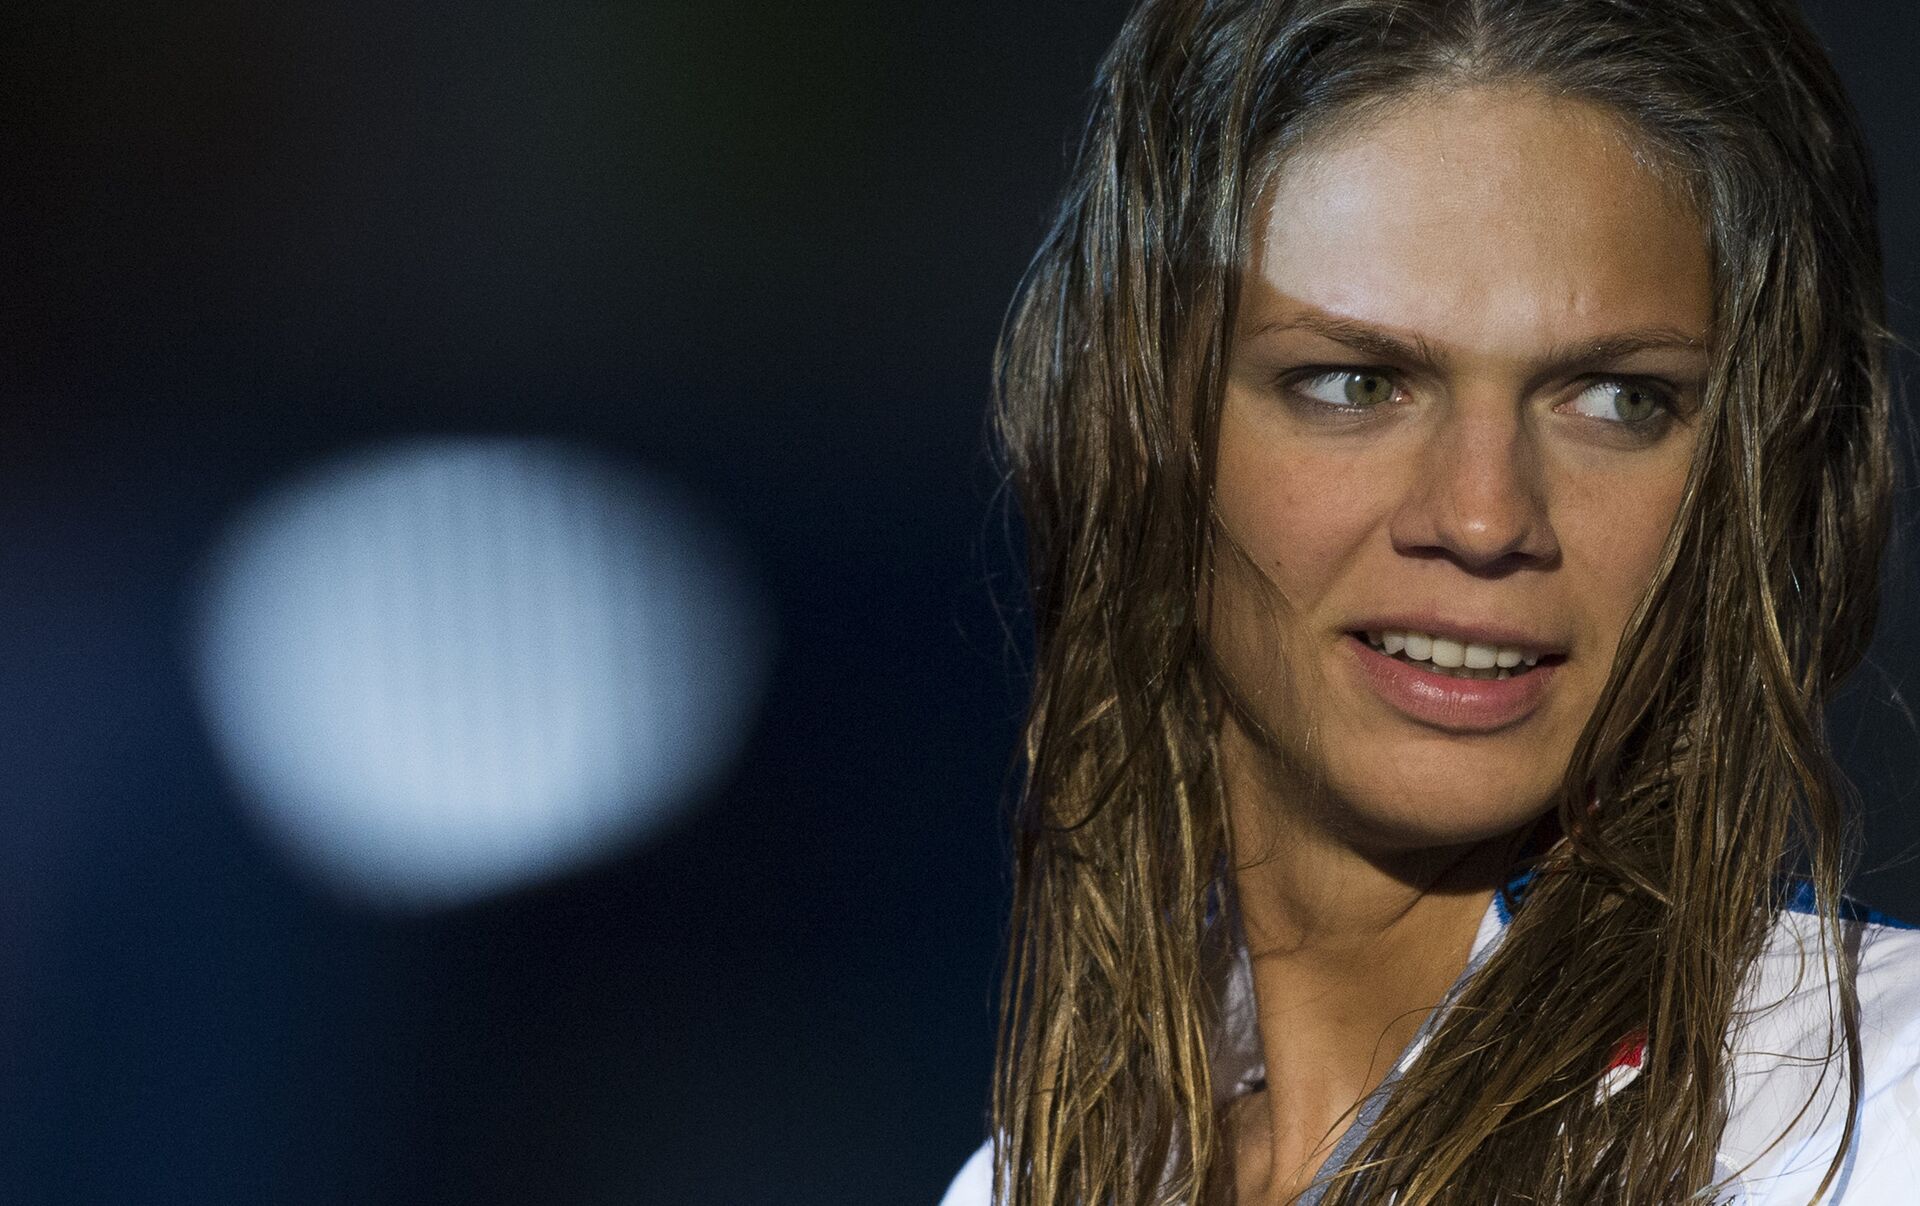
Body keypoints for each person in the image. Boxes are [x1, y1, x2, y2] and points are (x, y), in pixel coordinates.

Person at [940, 0, 1920, 1202]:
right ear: (1143, 431)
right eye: (1356, 383)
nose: (1483, 517)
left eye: (1619, 399)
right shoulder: (1026, 1183)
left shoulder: (1879, 1115)